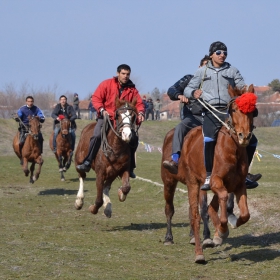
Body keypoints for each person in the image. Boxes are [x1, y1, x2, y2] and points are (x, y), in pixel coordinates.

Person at [184, 41, 261, 190]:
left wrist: (246, 93)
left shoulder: (232, 70)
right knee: (209, 138)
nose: (222, 55)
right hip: (210, 111)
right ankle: (208, 175)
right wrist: (194, 93)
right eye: (218, 52)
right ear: (211, 54)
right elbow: (188, 89)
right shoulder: (202, 71)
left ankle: (245, 175)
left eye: (225, 53)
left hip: (229, 111)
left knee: (252, 141)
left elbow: (241, 86)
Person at [76, 64, 145, 178]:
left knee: (134, 139)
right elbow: (96, 98)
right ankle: (87, 161)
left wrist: (141, 113)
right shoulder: (106, 84)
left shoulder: (132, 89)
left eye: (127, 74)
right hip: (106, 117)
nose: (125, 76)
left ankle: (131, 166)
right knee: (97, 135)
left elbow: (139, 103)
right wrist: (102, 110)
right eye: (123, 74)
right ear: (118, 73)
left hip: (122, 120)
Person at [163, 56, 209, 174]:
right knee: (180, 128)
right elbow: (171, 90)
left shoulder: (216, 84)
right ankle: (175, 159)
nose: (206, 69)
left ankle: (242, 171)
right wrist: (179, 95)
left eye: (209, 67)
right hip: (193, 118)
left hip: (211, 118)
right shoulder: (189, 79)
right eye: (204, 66)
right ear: (199, 67)